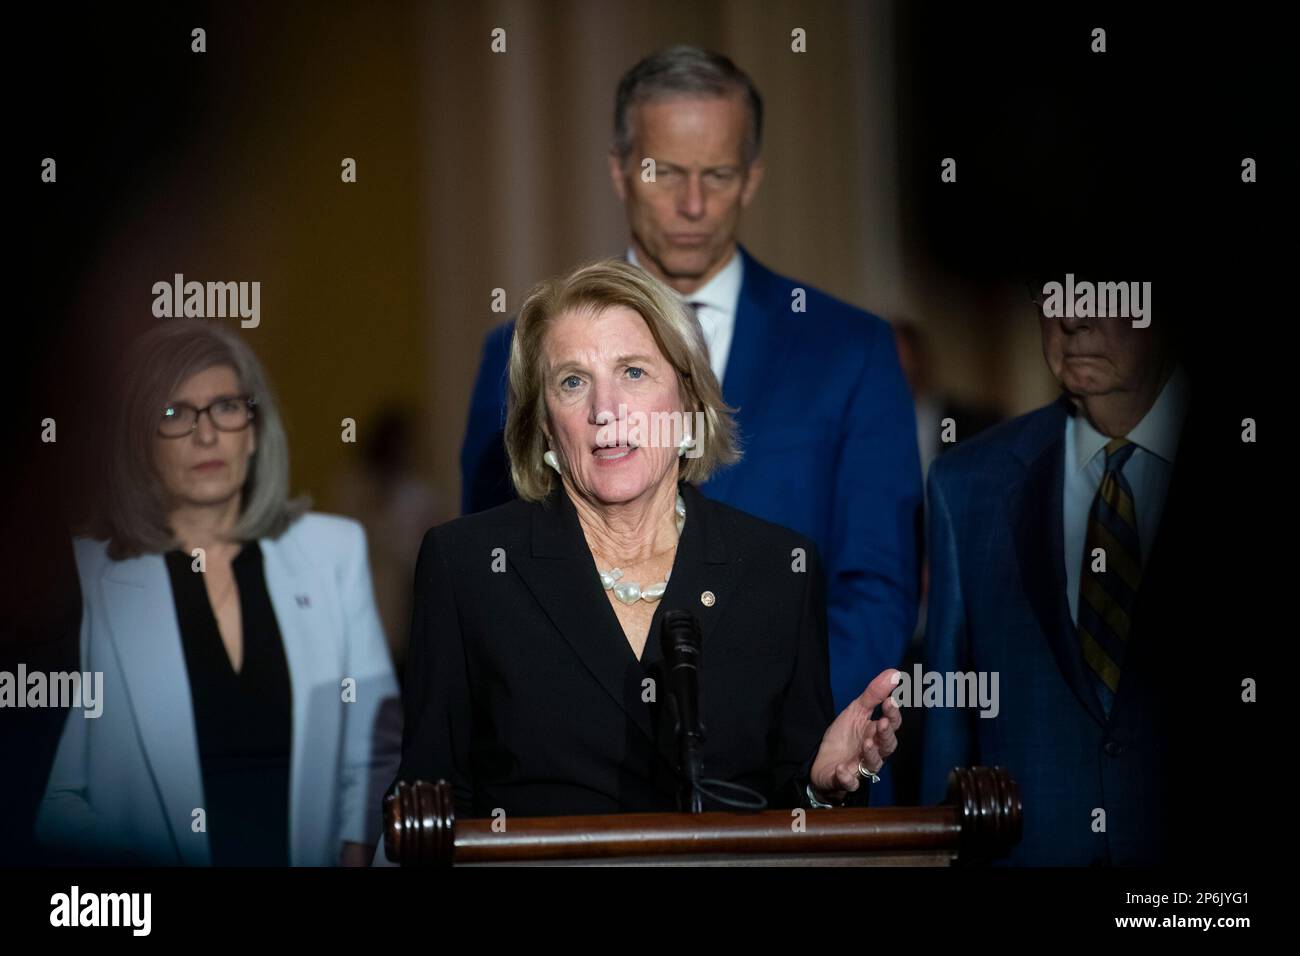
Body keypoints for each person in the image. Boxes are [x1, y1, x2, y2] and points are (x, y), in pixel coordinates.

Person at [460, 48, 922, 770]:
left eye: (718, 174)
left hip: (792, 785)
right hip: (583, 789)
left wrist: (780, 741)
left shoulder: (851, 350)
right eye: (665, 173)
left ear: (754, 177)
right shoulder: (517, 353)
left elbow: (876, 581)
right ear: (619, 169)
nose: (695, 204)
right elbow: (493, 588)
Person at [392, 259, 901, 826]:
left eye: (633, 372)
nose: (604, 411)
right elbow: (429, 805)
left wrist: (820, 788)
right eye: (572, 381)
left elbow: (796, 817)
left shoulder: (779, 569)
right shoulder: (469, 568)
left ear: (687, 404)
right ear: (542, 423)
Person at [36, 320, 401, 865]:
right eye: (174, 413)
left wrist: (353, 853)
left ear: (253, 429)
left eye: (226, 407)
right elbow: (55, 798)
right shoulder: (83, 577)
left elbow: (376, 747)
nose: (205, 435)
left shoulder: (333, 551)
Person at [919, 274, 1223, 864]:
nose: (1075, 318)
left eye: (1107, 293)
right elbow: (948, 732)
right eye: (1056, 292)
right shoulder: (967, 485)